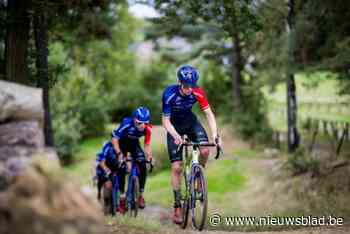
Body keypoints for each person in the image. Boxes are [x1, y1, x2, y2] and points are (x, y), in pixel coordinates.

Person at [161, 65, 221, 224]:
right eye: (186, 86)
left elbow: (208, 113)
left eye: (192, 86)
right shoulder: (169, 94)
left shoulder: (198, 91)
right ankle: (177, 207)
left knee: (206, 151)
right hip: (174, 127)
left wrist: (215, 135)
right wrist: (175, 135)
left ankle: (198, 175)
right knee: (177, 167)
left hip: (191, 123)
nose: (189, 89)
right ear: (179, 82)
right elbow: (165, 121)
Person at [96, 106, 153, 213]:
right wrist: (119, 154)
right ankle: (122, 196)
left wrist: (149, 156)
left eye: (145, 123)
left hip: (134, 144)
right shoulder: (126, 123)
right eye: (140, 123)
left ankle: (140, 194)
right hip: (121, 144)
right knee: (121, 167)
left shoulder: (148, 128)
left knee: (142, 163)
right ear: (134, 120)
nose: (142, 126)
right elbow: (115, 139)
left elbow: (147, 144)